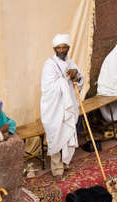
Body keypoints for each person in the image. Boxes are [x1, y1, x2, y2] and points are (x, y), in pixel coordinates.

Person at [40, 34, 83, 179]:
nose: (62, 50)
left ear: (68, 48)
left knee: (67, 133)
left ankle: (65, 162)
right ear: (54, 49)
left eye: (64, 47)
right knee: (56, 135)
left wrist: (76, 74)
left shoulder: (71, 62)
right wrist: (65, 80)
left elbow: (79, 80)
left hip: (68, 106)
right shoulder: (49, 65)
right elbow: (48, 88)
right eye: (59, 48)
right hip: (54, 108)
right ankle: (57, 169)